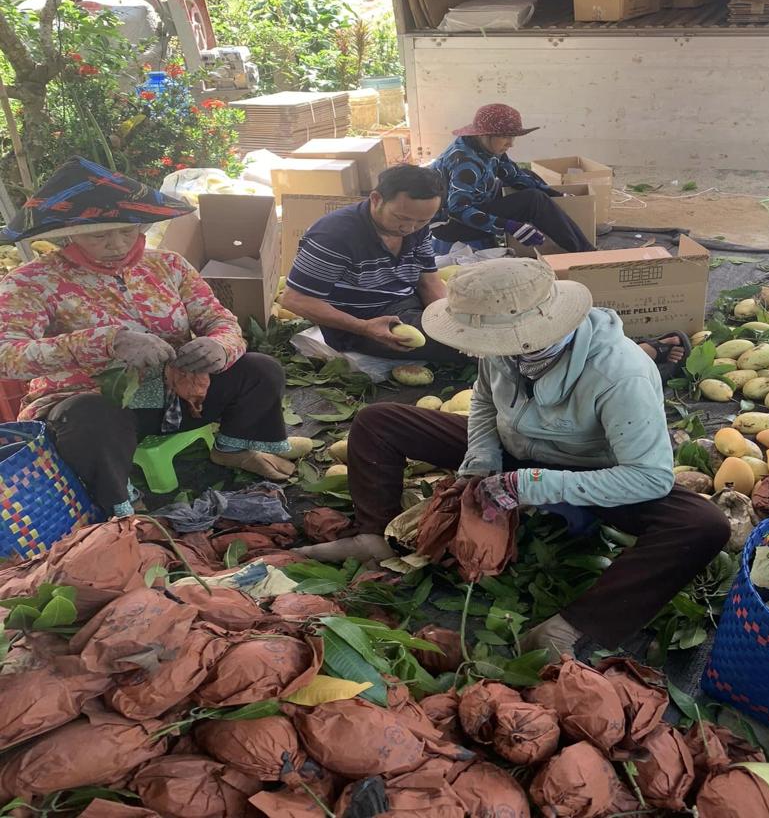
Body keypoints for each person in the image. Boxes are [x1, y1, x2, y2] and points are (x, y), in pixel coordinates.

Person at [297, 257, 730, 658]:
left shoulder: (620, 374)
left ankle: (574, 625)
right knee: (378, 421)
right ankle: (373, 534)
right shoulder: (507, 348)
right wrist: (481, 459)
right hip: (513, 449)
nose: (478, 351)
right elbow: (485, 400)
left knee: (702, 525)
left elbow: (649, 478)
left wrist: (529, 486)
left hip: (588, 471)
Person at [0, 157, 301, 517]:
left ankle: (233, 449)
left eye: (128, 231)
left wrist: (219, 346)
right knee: (88, 416)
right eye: (100, 235)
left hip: (179, 393)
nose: (117, 244)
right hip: (97, 404)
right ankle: (117, 500)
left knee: (260, 370)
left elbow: (220, 320)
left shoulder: (168, 265)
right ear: (69, 234)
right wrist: (106, 342)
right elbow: (8, 354)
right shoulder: (30, 282)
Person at [281, 164, 465, 364]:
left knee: (485, 327)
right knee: (467, 344)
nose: (410, 228)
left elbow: (429, 282)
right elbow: (294, 299)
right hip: (359, 323)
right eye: (401, 218)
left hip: (407, 306)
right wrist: (364, 327)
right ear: (376, 199)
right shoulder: (334, 235)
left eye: (422, 221)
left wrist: (450, 317)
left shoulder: (416, 228)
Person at [429, 103, 596, 253]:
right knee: (534, 200)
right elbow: (458, 209)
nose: (511, 143)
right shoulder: (465, 163)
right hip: (451, 224)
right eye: (505, 137)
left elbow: (515, 176)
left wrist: (555, 194)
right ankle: (584, 252)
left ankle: (567, 221)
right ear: (484, 135)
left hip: (479, 199)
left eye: (512, 136)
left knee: (529, 178)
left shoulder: (487, 148)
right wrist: (509, 226)